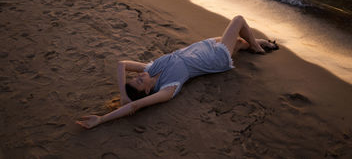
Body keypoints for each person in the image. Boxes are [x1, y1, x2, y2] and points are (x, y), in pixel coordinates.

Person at [76, 15, 278, 129]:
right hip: (215, 59)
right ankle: (260, 49)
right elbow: (135, 106)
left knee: (241, 42)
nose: (137, 75)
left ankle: (262, 44)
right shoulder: (168, 89)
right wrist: (102, 119)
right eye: (138, 81)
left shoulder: (150, 68)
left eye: (135, 77)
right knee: (239, 20)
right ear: (147, 91)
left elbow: (121, 64)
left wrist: (122, 94)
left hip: (203, 47)